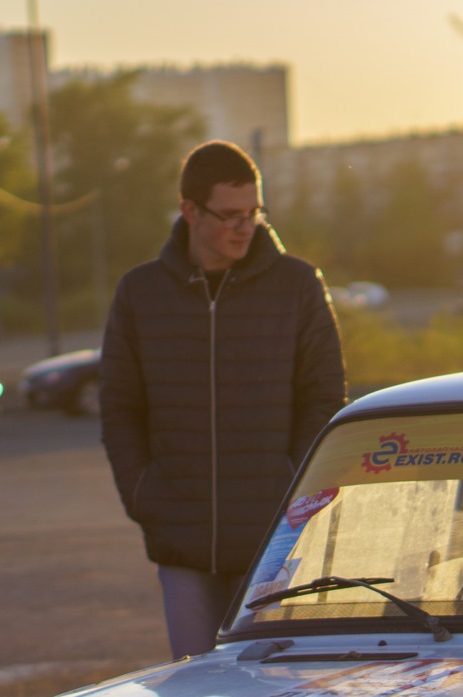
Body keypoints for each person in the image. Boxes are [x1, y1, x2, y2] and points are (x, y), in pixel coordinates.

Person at [101, 140, 346, 660]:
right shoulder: (141, 293)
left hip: (272, 546)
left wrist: (292, 489)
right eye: (230, 215)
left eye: (254, 212)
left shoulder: (296, 286)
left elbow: (324, 398)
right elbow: (120, 407)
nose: (245, 226)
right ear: (189, 210)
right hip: (182, 542)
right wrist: (144, 495)